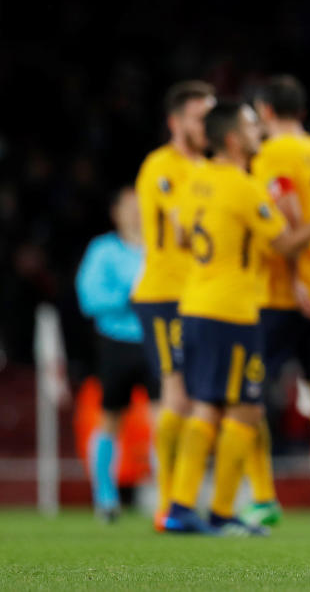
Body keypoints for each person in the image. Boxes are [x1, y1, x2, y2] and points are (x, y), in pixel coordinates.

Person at [162, 101, 310, 534]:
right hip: (233, 310)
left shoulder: (195, 178)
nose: (259, 135)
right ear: (234, 140)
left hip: (195, 303)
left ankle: (183, 508)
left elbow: (180, 235)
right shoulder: (244, 187)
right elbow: (288, 244)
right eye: (250, 129)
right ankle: (216, 511)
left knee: (209, 406)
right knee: (244, 411)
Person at [244, 76, 310, 534]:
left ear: (265, 111)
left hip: (278, 293)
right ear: (302, 112)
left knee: (248, 400)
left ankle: (264, 499)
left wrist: (295, 281)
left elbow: (282, 223)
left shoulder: (269, 156)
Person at [130, 80, 215, 530]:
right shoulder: (160, 166)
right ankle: (169, 503)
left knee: (198, 398)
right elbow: (186, 225)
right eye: (200, 118)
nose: (207, 127)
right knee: (176, 396)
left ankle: (183, 501)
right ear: (175, 121)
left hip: (198, 296)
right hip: (164, 295)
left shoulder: (206, 166)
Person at [75, 186, 154, 522]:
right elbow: (89, 298)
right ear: (116, 212)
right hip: (115, 343)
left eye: (141, 206)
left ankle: (171, 494)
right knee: (111, 418)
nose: (136, 213)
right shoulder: (103, 250)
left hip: (155, 340)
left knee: (166, 418)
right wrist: (128, 297)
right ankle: (105, 496)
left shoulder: (158, 249)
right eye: (129, 207)